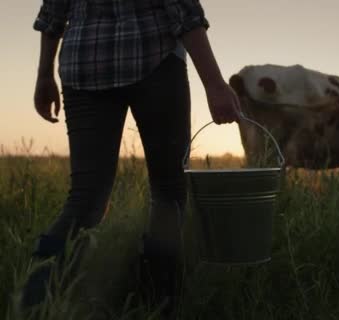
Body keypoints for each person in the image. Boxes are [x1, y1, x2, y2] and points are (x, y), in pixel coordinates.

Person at [23, 0, 240, 311]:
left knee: (86, 199)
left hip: (84, 63)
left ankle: (30, 304)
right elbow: (185, 12)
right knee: (169, 194)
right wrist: (216, 84)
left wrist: (44, 75)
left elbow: (53, 12)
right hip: (154, 59)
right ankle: (157, 305)